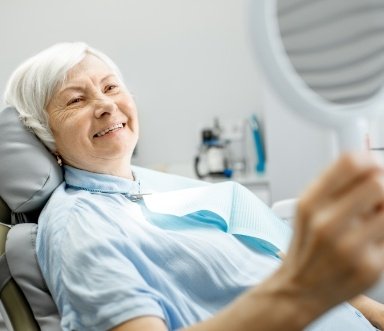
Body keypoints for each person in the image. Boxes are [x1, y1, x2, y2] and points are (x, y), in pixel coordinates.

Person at [3, 42, 384, 331]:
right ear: (45, 136)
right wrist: (300, 290)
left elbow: (294, 268)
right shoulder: (78, 225)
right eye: (76, 100)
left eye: (111, 86)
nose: (105, 105)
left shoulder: (158, 188)